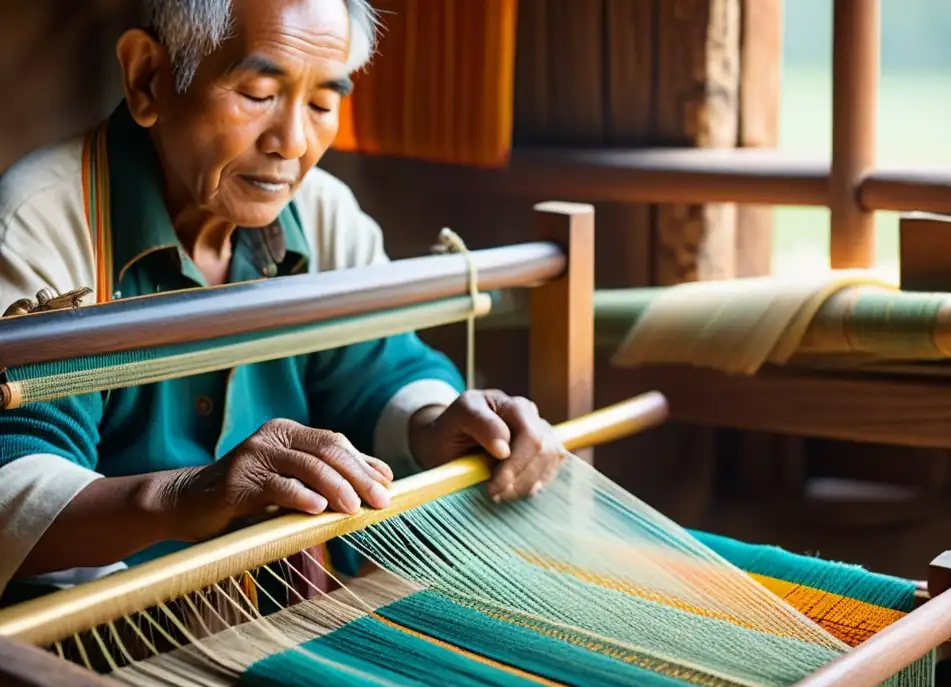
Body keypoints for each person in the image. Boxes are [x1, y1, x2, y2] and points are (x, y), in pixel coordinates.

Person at [0, 0, 565, 597]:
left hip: (274, 607)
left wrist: (435, 425)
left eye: (322, 103)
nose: (293, 143)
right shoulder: (38, 224)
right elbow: (14, 475)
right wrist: (184, 496)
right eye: (258, 93)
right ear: (148, 78)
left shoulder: (321, 213)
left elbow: (378, 367)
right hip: (93, 630)